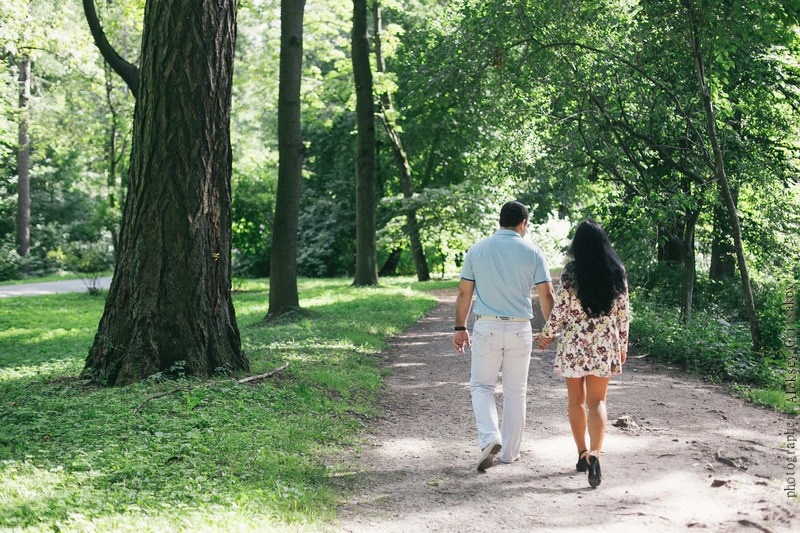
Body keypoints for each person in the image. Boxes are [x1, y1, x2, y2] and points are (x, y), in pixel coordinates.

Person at [453, 201, 555, 472]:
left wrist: (460, 328)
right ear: (523, 223)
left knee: (481, 387)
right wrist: (551, 328)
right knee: (516, 392)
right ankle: (509, 453)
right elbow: (546, 294)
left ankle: (490, 438)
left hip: (486, 327)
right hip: (520, 328)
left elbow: (465, 293)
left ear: (501, 221)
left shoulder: (477, 249)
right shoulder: (533, 251)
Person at [536, 220, 630, 488]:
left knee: (577, 401)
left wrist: (546, 336)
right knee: (598, 402)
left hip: (575, 342)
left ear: (577, 245)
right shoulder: (617, 271)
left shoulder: (571, 272)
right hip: (605, 341)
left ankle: (582, 454)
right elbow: (623, 313)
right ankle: (597, 454)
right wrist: (622, 346)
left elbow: (561, 310)